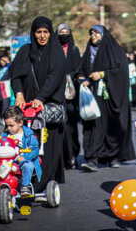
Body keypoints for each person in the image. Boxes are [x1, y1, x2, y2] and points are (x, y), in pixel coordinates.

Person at [10, 16, 66, 192]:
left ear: (50, 33)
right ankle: (26, 179)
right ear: (33, 33)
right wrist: (19, 93)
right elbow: (16, 75)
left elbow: (54, 78)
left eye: (46, 32)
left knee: (46, 147)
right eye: (38, 32)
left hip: (48, 108)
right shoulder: (25, 51)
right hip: (28, 110)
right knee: (26, 145)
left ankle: (43, 182)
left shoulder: (56, 52)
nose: (42, 36)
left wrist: (41, 97)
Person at [79, 24, 136, 172]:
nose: (93, 35)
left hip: (111, 96)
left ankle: (113, 157)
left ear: (104, 34)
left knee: (112, 126)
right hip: (94, 96)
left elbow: (121, 70)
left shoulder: (115, 50)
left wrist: (102, 74)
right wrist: (83, 79)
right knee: (94, 126)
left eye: (97, 33)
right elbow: (82, 69)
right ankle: (92, 159)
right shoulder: (88, 51)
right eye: (91, 33)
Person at [56, 23, 82, 169]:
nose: (64, 34)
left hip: (71, 97)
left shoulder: (74, 50)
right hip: (56, 95)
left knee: (71, 128)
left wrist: (69, 77)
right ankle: (60, 157)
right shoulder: (52, 50)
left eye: (66, 31)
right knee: (59, 127)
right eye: (61, 32)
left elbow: (78, 70)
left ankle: (72, 156)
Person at [0, 106, 42, 196]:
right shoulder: (5, 135)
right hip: (9, 161)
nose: (9, 128)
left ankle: (25, 186)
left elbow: (35, 149)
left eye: (11, 125)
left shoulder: (28, 135)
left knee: (28, 166)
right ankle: (2, 185)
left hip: (24, 160)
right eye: (7, 125)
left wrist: (25, 157)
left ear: (20, 123)